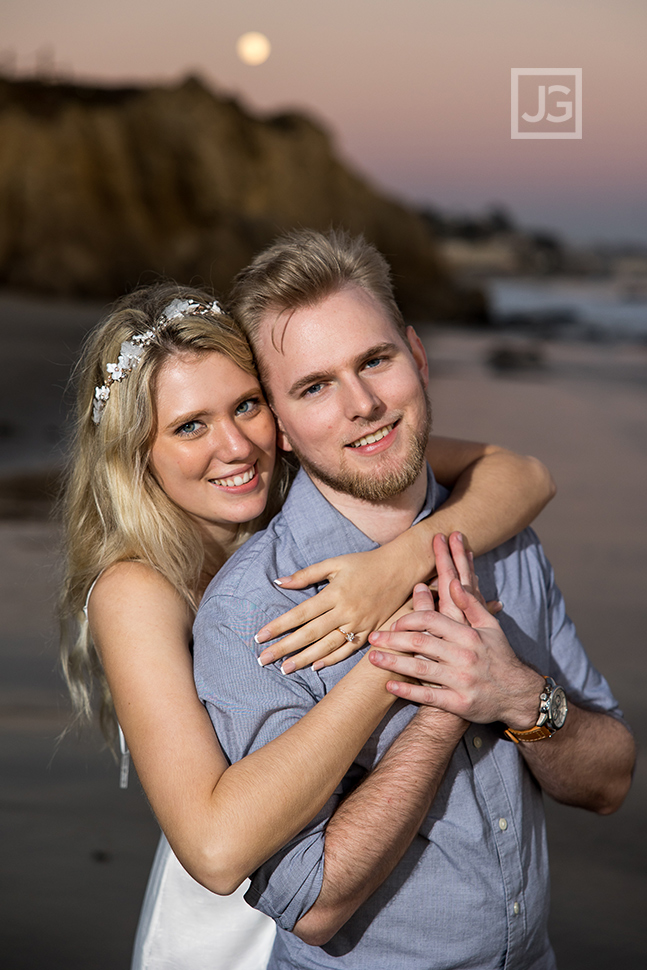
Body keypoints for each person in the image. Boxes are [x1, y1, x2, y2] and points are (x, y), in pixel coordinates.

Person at [59, 283, 555, 970]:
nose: (234, 447)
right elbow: (216, 850)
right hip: (240, 928)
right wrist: (398, 650)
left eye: (246, 406)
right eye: (189, 426)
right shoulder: (136, 589)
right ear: (135, 451)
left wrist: (399, 563)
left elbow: (523, 476)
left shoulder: (307, 474)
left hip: (372, 888)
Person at [193, 229, 636, 970]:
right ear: (283, 428)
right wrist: (440, 710)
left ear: (417, 356)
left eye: (374, 361)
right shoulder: (256, 610)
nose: (362, 404)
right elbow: (312, 905)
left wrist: (517, 697)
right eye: (314, 386)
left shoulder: (503, 538)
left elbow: (609, 780)